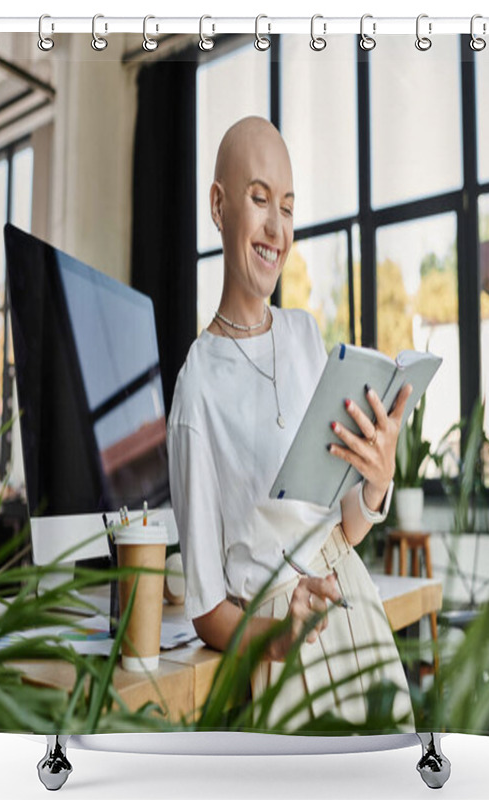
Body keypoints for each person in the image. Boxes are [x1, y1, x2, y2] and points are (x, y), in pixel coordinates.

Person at [167, 116, 414, 731]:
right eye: (258, 200)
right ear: (219, 207)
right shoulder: (197, 389)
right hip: (285, 648)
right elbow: (205, 611)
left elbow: (341, 530)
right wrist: (278, 636)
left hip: (358, 610)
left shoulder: (307, 337)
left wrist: (375, 482)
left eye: (288, 205)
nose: (277, 228)